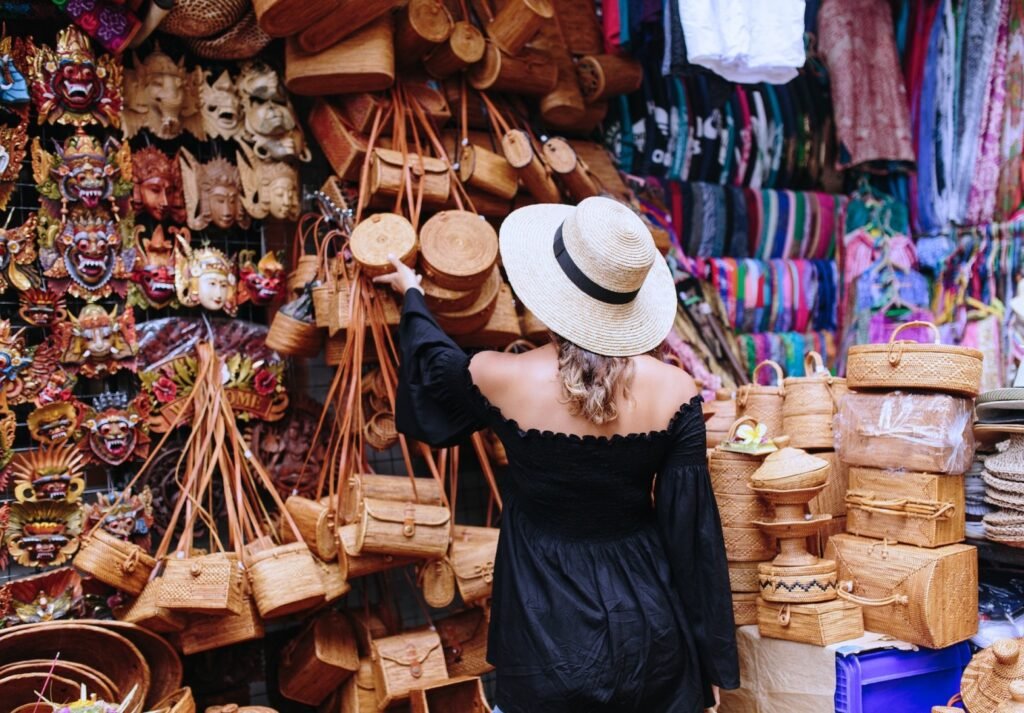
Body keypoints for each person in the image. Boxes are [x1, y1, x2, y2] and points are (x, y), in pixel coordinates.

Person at [375, 196, 739, 713]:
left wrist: (414, 296)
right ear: (629, 304)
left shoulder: (501, 377)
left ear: (551, 292)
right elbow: (693, 537)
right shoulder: (677, 392)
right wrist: (709, 663)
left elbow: (436, 367)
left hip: (543, 626)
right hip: (649, 630)